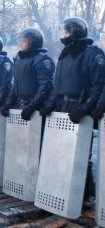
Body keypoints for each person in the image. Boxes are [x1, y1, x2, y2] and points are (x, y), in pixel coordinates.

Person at [39, 17, 105, 205]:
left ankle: (86, 194)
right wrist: (51, 104)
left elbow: (98, 85)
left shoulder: (92, 53)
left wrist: (85, 109)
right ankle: (64, 189)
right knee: (62, 151)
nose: (62, 35)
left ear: (75, 32)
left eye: (66, 31)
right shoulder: (65, 54)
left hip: (79, 106)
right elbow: (57, 84)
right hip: (63, 107)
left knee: (81, 153)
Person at [0, 28, 55, 120]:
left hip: (35, 108)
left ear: (33, 42)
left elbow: (45, 87)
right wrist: (8, 103)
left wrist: (32, 107)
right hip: (20, 105)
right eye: (20, 41)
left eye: (24, 41)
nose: (20, 43)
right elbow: (16, 85)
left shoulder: (42, 60)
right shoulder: (19, 60)